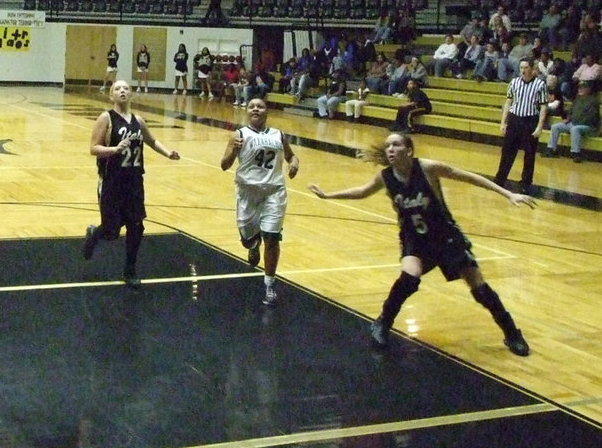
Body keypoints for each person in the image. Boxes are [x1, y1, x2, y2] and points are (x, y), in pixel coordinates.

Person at [307, 133, 534, 356]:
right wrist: (328, 196)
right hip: (414, 239)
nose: (390, 150)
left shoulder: (427, 168)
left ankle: (512, 333)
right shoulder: (385, 177)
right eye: (388, 146)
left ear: (409, 150)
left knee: (479, 287)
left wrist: (507, 194)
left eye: (396, 145)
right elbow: (363, 191)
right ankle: (383, 322)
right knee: (409, 277)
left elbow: (468, 176)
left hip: (445, 236)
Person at [83, 79, 181, 287]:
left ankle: (130, 270)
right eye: (117, 89)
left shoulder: (138, 120)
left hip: (134, 181)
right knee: (111, 231)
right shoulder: (106, 118)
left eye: (126, 88)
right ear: (111, 95)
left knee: (136, 226)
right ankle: (95, 233)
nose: (122, 91)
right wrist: (114, 150)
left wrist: (168, 153)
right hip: (112, 180)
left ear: (131, 94)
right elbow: (93, 148)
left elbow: (152, 141)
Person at [220, 98, 299, 306]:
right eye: (252, 106)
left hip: (274, 192)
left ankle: (270, 284)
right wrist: (234, 149)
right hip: (247, 193)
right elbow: (224, 165)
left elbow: (292, 156)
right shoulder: (239, 135)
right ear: (247, 111)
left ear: (266, 111)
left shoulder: (278, 135)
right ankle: (252, 245)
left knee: (272, 238)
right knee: (248, 238)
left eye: (260, 106)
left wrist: (294, 164)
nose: (256, 108)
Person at [494, 59, 548, 192]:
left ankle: (526, 183)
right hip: (514, 119)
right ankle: (500, 179)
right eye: (521, 68)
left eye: (526, 67)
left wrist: (540, 127)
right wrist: (503, 123)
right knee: (507, 151)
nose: (523, 70)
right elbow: (508, 102)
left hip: (530, 120)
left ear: (532, 69)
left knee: (529, 154)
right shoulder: (514, 82)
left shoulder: (540, 84)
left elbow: (543, 107)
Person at [544, 80, 601, 162]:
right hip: (574, 123)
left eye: (582, 88)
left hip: (589, 126)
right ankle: (551, 149)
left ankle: (576, 153)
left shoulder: (594, 101)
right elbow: (571, 111)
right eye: (579, 88)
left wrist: (575, 122)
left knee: (575, 129)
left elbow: (592, 117)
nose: (580, 90)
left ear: (588, 89)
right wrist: (568, 118)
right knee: (555, 126)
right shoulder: (577, 99)